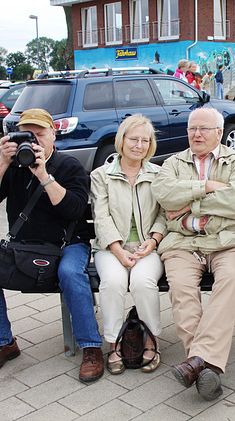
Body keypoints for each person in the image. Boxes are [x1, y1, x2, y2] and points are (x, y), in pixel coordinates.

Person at [0, 108, 104, 383]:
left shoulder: (69, 166)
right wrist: (2, 161)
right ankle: (3, 344)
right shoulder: (13, 167)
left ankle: (90, 347)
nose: (33, 141)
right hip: (25, 245)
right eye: (26, 135)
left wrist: (43, 174)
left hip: (68, 244)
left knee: (70, 273)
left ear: (53, 134)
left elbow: (75, 210)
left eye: (40, 135)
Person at [152, 107, 235, 401]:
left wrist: (188, 205)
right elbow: (165, 195)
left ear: (219, 133)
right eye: (192, 128)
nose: (196, 134)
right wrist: (208, 187)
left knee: (229, 281)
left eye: (204, 129)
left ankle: (195, 363)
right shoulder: (172, 163)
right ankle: (206, 368)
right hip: (182, 242)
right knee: (182, 289)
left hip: (226, 242)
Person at [90, 115, 166, 375]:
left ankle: (151, 341)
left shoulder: (158, 174)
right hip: (111, 247)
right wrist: (118, 250)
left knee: (143, 282)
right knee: (112, 282)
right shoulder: (102, 176)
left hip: (148, 247)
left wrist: (153, 240)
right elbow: (101, 216)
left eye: (145, 140)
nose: (139, 145)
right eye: (134, 139)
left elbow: (164, 214)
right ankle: (114, 343)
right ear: (121, 140)